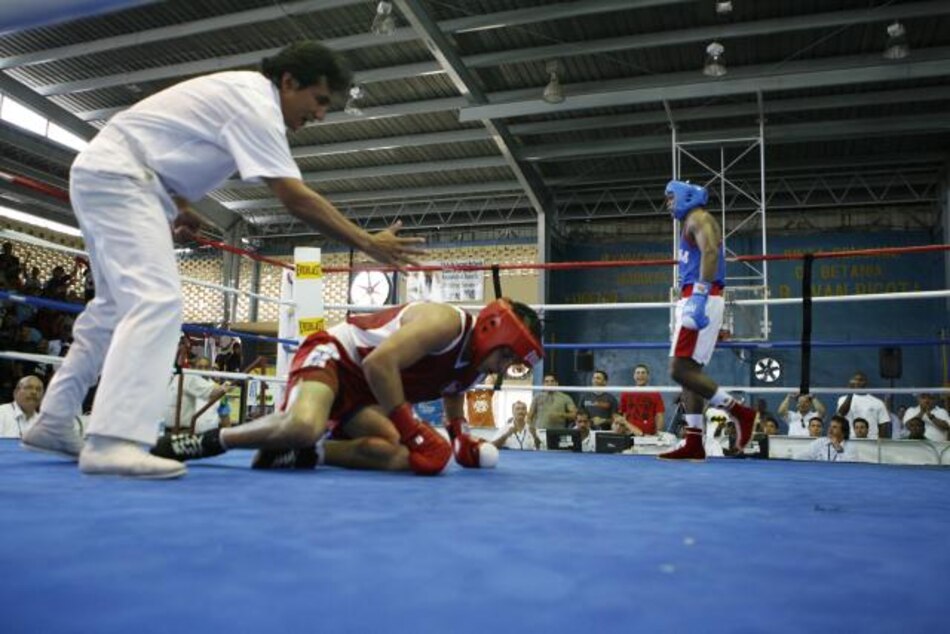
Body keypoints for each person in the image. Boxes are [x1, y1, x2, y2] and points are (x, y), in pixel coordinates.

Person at [21, 41, 426, 479]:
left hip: (121, 176)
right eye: (320, 99)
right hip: (122, 177)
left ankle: (55, 419)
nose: (321, 114)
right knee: (156, 301)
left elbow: (164, 146)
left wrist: (178, 206)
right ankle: (114, 441)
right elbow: (294, 197)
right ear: (289, 81)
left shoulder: (244, 96)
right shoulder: (257, 105)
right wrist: (366, 242)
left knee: (111, 309)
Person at [153, 298, 543, 475]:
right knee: (304, 425)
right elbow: (379, 364)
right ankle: (209, 442)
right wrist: (413, 428)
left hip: (368, 393)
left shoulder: (479, 365)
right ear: (494, 331)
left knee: (403, 457)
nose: (504, 367)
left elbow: (453, 387)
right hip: (339, 357)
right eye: (507, 356)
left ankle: (303, 456)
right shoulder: (445, 323)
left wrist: (459, 438)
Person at [658, 181, 756, 460]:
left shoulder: (699, 218)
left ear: (685, 196)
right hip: (696, 296)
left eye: (670, 198)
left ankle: (740, 411)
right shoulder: (690, 222)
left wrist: (699, 295)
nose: (668, 204)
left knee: (678, 369)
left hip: (701, 296)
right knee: (690, 374)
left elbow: (711, 251)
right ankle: (694, 442)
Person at [617, 363, 665, 435]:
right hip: (630, 433)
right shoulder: (626, 393)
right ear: (634, 376)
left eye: (643, 373)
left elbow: (660, 415)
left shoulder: (655, 394)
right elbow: (623, 414)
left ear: (648, 376)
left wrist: (659, 433)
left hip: (649, 434)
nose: (640, 375)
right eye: (638, 373)